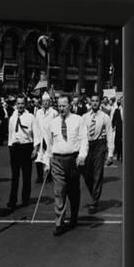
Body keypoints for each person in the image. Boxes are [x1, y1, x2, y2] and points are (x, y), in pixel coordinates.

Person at [44, 94, 88, 236]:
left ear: (70, 105)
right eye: (59, 105)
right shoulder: (53, 122)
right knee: (59, 191)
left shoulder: (78, 120)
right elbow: (49, 145)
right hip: (57, 160)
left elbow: (84, 140)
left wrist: (82, 156)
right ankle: (59, 223)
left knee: (73, 192)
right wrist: (47, 162)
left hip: (73, 160)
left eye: (64, 105)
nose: (61, 108)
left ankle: (74, 216)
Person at [82, 95, 114, 214]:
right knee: (86, 174)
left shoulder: (105, 117)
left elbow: (110, 135)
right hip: (87, 145)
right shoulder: (84, 117)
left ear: (100, 102)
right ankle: (94, 194)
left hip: (99, 145)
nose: (94, 103)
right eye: (93, 101)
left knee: (97, 174)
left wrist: (110, 154)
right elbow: (80, 133)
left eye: (96, 101)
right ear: (90, 103)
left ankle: (94, 202)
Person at [6, 96, 36, 209]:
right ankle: (12, 200)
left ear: (26, 104)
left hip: (27, 147)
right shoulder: (12, 117)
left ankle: (25, 199)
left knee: (26, 176)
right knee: (15, 176)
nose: (20, 106)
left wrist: (35, 149)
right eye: (18, 104)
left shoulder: (31, 117)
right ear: (16, 104)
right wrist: (10, 146)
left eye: (22, 103)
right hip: (15, 148)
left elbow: (36, 133)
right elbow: (11, 133)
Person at [33, 92, 58, 183]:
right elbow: (36, 126)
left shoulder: (54, 112)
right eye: (44, 101)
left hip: (49, 137)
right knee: (39, 158)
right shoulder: (38, 112)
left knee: (49, 156)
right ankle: (39, 176)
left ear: (50, 102)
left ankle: (49, 176)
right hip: (40, 137)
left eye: (47, 101)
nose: (45, 103)